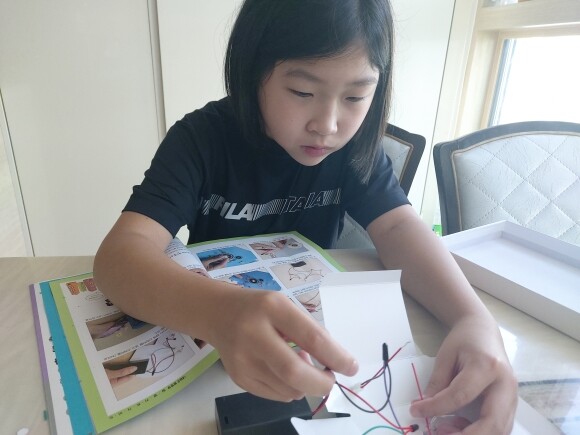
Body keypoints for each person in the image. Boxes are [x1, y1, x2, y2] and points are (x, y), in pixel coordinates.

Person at [93, 1, 517, 433]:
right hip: (214, 358)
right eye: (301, 92)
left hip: (319, 353)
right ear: (252, 70)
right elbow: (119, 256)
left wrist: (474, 319)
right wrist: (217, 313)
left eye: (355, 96)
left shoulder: (354, 149)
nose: (327, 125)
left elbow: (398, 225)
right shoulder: (200, 140)